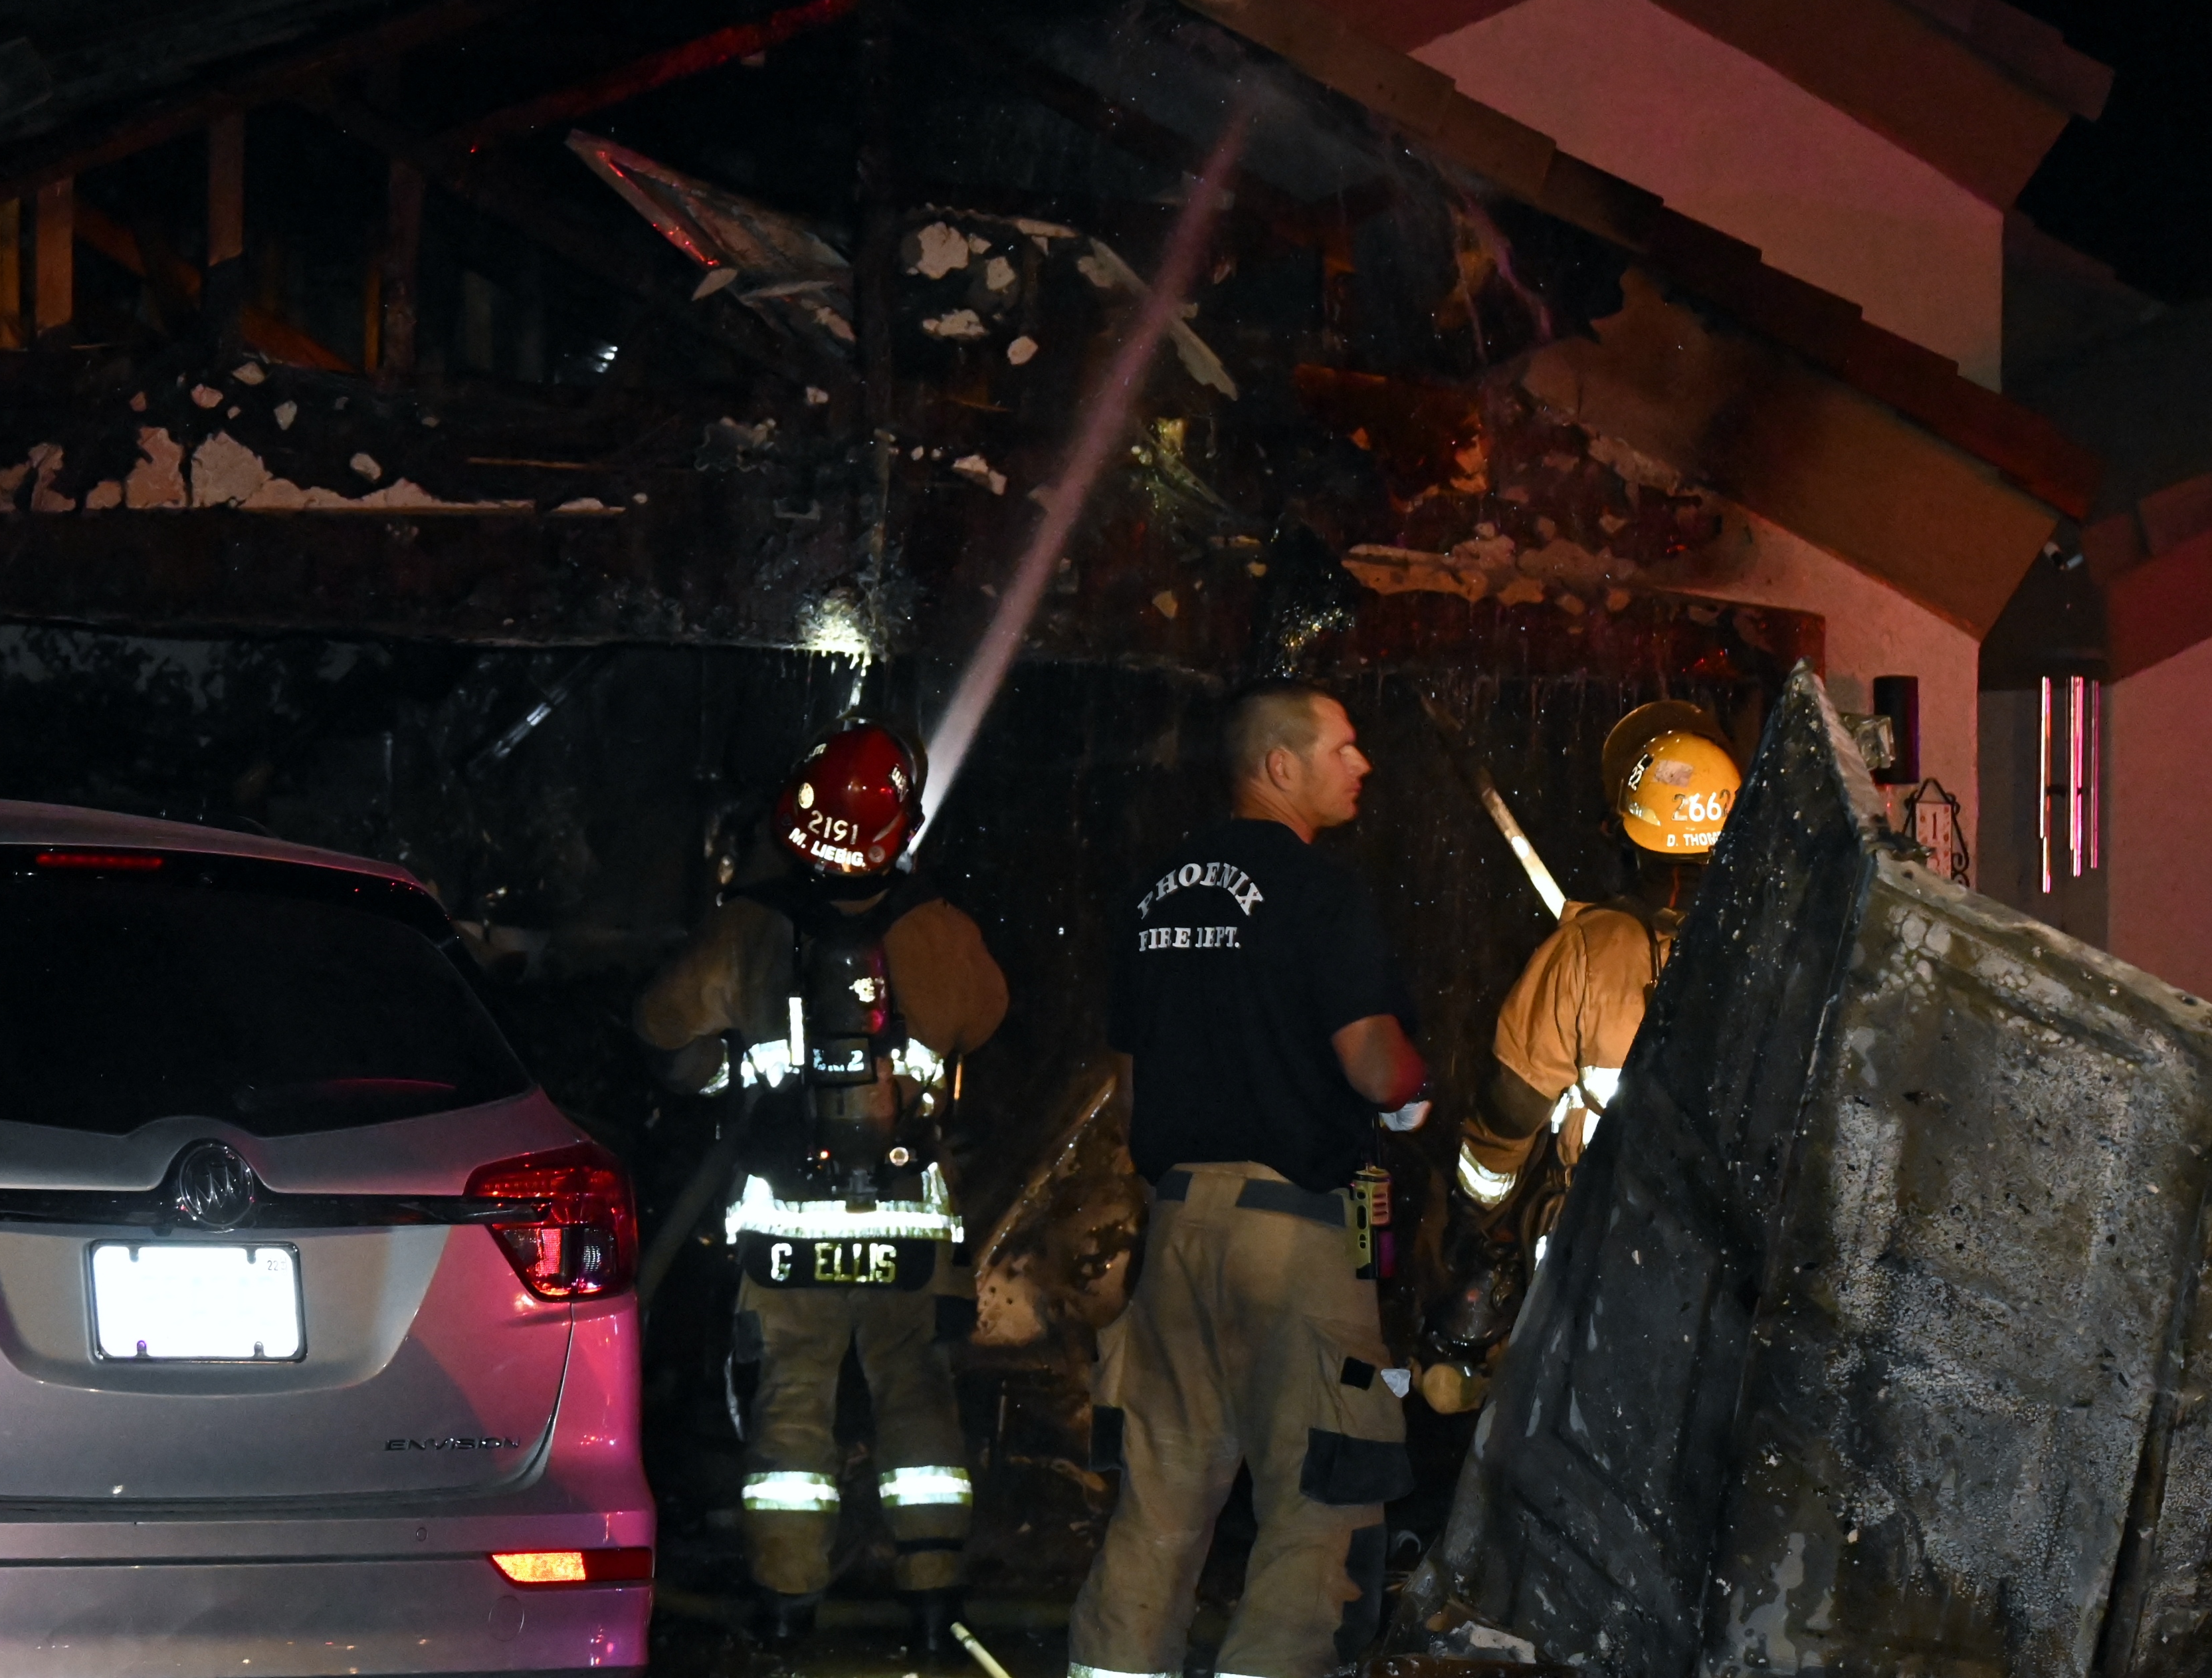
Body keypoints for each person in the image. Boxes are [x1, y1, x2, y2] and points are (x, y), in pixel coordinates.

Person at [1069, 681, 1429, 1678]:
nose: (1362, 764)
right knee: (1322, 1495)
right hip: (1299, 1242)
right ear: (1279, 765)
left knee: (1158, 1501)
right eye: (1342, 747)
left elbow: (1133, 1091)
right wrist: (1417, 1088)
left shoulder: (1151, 895)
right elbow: (1376, 1069)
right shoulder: (1321, 892)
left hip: (1178, 1235)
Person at [635, 722, 1008, 1651]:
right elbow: (987, 1018)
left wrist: (729, 1066)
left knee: (791, 1406)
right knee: (917, 1398)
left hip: (786, 1228)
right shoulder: (940, 927)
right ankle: (933, 1603)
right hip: (908, 1228)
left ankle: (787, 1604)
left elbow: (660, 1030)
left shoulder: (747, 927)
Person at [1420, 702, 1742, 1409]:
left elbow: (1510, 1113)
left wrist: (1476, 1214)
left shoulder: (1589, 951)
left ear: (1624, 835)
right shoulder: (1773, 955)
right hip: (1732, 1281)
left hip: (1601, 1271)